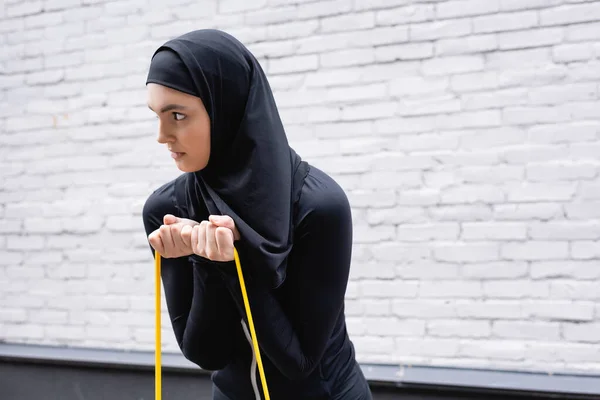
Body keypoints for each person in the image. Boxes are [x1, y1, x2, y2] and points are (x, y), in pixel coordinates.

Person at [141, 29, 372, 400]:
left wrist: (233, 266)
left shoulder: (318, 206)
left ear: (226, 107)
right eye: (157, 116)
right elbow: (207, 353)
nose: (162, 135)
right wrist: (208, 263)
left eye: (178, 115)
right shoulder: (167, 211)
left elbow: (298, 362)